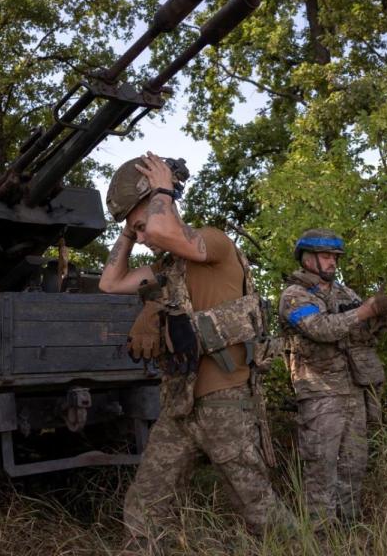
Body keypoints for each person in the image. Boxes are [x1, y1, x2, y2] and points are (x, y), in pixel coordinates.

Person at [100, 152, 293, 548]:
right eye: (135, 230)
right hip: (180, 406)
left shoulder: (213, 242)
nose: (141, 236)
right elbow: (110, 282)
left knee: (258, 508)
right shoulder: (168, 269)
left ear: (164, 204)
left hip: (226, 401)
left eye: (141, 225)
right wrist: (125, 230)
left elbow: (164, 229)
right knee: (145, 503)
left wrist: (161, 190)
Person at [278, 228, 387, 526]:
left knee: (354, 465)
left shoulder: (344, 293)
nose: (333, 262)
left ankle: (349, 530)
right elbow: (320, 328)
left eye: (335, 257)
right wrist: (364, 312)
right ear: (307, 259)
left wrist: (380, 319)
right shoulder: (294, 295)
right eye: (326, 256)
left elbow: (357, 327)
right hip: (320, 393)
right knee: (321, 466)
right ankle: (321, 532)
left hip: (354, 389)